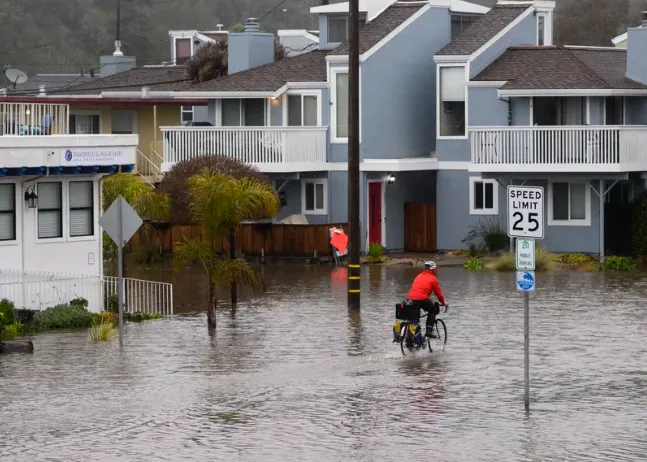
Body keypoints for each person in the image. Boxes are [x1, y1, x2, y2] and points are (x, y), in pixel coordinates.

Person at [407, 261, 448, 338]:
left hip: (410, 299)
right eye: (435, 270)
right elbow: (438, 293)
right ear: (432, 270)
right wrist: (443, 302)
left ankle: (412, 340)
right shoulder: (433, 278)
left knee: (414, 319)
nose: (436, 271)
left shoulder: (418, 276)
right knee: (433, 310)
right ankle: (428, 331)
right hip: (422, 298)